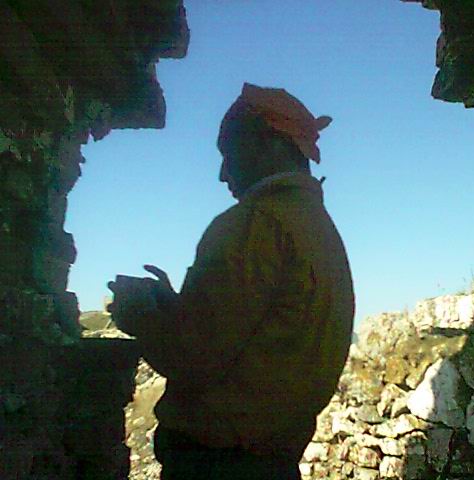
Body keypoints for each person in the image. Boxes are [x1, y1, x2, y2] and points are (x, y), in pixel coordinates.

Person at [107, 83, 355, 480]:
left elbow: (192, 358)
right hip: (273, 462)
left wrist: (139, 317)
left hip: (216, 464)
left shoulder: (253, 223)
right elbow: (259, 335)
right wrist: (178, 306)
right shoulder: (318, 229)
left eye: (230, 154)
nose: (222, 174)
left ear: (269, 143)